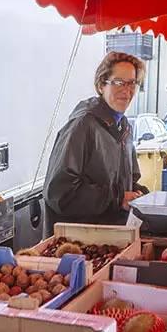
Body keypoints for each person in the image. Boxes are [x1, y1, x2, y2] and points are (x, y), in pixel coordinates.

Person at [42, 51, 150, 236]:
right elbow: (59, 192)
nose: (127, 90)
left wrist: (143, 196)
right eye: (118, 82)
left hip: (112, 236)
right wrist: (117, 199)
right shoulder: (82, 125)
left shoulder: (123, 127)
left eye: (132, 83)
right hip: (77, 244)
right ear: (101, 85)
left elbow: (127, 182)